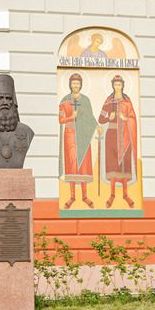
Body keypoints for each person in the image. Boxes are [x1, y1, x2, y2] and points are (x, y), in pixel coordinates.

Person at [59, 73, 99, 209]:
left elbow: (90, 117)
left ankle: (85, 197)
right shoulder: (64, 101)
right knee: (72, 163)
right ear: (70, 85)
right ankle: (72, 197)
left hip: (83, 134)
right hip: (70, 133)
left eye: (77, 83)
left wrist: (97, 126)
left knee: (83, 164)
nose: (75, 85)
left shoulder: (86, 100)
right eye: (73, 83)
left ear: (80, 85)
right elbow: (61, 120)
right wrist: (71, 117)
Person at [98, 75, 138, 208]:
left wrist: (125, 118)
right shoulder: (109, 101)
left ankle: (126, 194)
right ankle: (112, 194)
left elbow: (133, 118)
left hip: (125, 136)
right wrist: (109, 118)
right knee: (113, 166)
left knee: (124, 165)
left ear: (122, 85)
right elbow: (100, 119)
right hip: (112, 136)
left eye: (119, 84)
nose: (117, 87)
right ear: (112, 86)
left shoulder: (127, 101)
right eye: (115, 85)